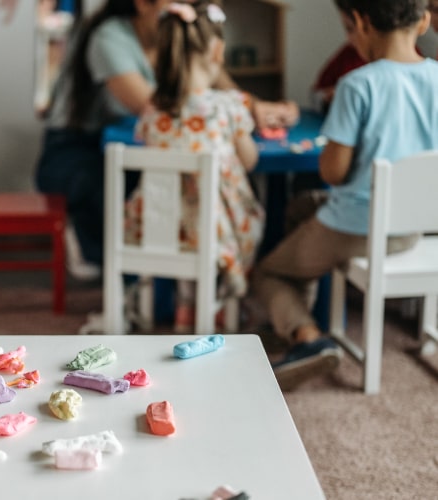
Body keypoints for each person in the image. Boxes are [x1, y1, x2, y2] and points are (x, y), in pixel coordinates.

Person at [34, 0, 297, 280]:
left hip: (131, 142)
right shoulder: (110, 37)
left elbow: (217, 80)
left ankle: (190, 281)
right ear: (142, 4)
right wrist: (237, 109)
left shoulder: (185, 37)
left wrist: (262, 109)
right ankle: (96, 245)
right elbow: (159, 109)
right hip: (75, 148)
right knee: (142, 198)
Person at [253, 0, 437, 391]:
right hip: (412, 231)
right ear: (421, 22)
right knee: (302, 207)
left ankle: (307, 337)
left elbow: (332, 172)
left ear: (360, 22)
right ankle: (296, 318)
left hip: (355, 226)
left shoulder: (359, 84)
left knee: (268, 272)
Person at [125, 0, 264, 333]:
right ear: (217, 51)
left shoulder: (152, 110)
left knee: (186, 215)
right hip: (216, 232)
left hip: (158, 228)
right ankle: (219, 299)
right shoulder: (229, 105)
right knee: (250, 218)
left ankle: (186, 304)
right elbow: (250, 160)